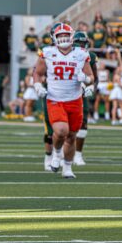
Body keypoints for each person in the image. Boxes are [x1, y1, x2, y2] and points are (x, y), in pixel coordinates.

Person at [33, 23, 94, 178]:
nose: (64, 38)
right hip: (55, 98)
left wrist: (86, 80)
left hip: (75, 100)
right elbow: (38, 73)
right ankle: (56, 153)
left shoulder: (81, 53)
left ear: (72, 37)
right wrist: (37, 85)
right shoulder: (47, 52)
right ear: (54, 38)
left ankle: (67, 168)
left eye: (66, 35)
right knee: (61, 131)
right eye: (61, 36)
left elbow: (91, 78)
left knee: (72, 136)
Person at [72, 32, 98, 166]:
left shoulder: (90, 56)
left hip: (82, 95)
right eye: (79, 43)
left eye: (83, 43)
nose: (81, 46)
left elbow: (96, 78)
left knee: (83, 124)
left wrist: (92, 87)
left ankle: (78, 155)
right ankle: (57, 153)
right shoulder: (66, 55)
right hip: (67, 93)